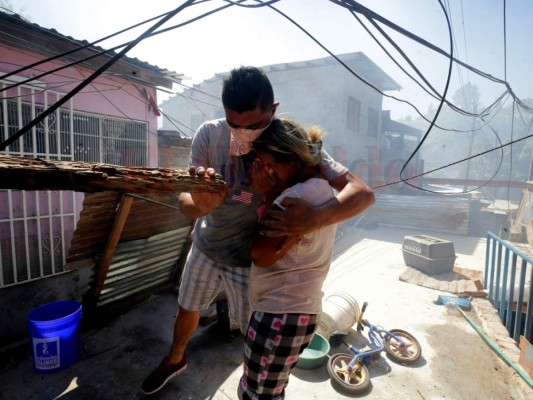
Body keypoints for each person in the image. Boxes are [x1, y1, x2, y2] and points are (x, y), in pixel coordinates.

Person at [141, 66, 375, 395]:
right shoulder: (209, 135)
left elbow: (361, 192)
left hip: (248, 261)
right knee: (188, 307)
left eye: (253, 126)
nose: (243, 134)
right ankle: (175, 359)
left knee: (255, 335)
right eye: (234, 124)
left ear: (273, 111)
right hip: (208, 245)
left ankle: (255, 380)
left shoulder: (288, 142)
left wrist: (311, 219)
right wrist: (202, 204)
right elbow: (185, 200)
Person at [238, 118, 338, 400]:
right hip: (299, 313)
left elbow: (261, 254)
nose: (265, 171)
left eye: (269, 164)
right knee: (271, 389)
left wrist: (269, 194)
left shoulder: (290, 199)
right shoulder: (320, 187)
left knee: (256, 394)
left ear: (292, 159)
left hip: (278, 315)